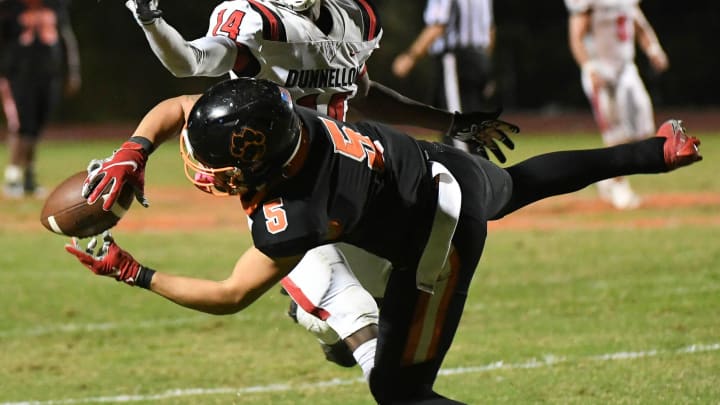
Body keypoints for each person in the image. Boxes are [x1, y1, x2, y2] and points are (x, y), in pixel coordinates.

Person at [66, 77, 701, 404]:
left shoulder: (292, 213)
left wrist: (133, 272)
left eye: (216, 165)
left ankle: (352, 343)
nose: (203, 170)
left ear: (257, 165)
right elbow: (184, 104)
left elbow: (230, 293)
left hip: (439, 235)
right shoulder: (285, 115)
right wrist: (134, 148)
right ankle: (657, 149)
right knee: (516, 183)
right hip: (434, 168)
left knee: (399, 395)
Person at [114, 0, 516, 374]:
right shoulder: (257, 21)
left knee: (383, 302)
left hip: (352, 181)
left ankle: (315, 318)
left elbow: (363, 94)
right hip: (288, 189)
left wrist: (449, 122)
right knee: (355, 315)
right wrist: (151, 18)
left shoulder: (353, 19)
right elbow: (189, 61)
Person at [565, 0, 669, 209]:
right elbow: (576, 37)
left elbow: (638, 23)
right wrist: (589, 68)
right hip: (601, 72)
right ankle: (619, 186)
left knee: (644, 131)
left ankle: (605, 174)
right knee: (615, 133)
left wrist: (653, 48)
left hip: (626, 69)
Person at [0, 0, 81, 198]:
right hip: (17, 77)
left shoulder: (56, 5)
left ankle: (28, 178)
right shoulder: (10, 8)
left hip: (47, 76)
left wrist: (73, 71)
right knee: (21, 127)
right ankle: (12, 177)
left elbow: (67, 37)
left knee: (35, 129)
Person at [392, 0, 497, 150]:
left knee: (454, 125)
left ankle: (463, 171)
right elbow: (490, 30)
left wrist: (410, 56)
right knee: (473, 127)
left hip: (454, 59)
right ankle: (481, 169)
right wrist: (487, 67)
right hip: (480, 58)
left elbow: (438, 24)